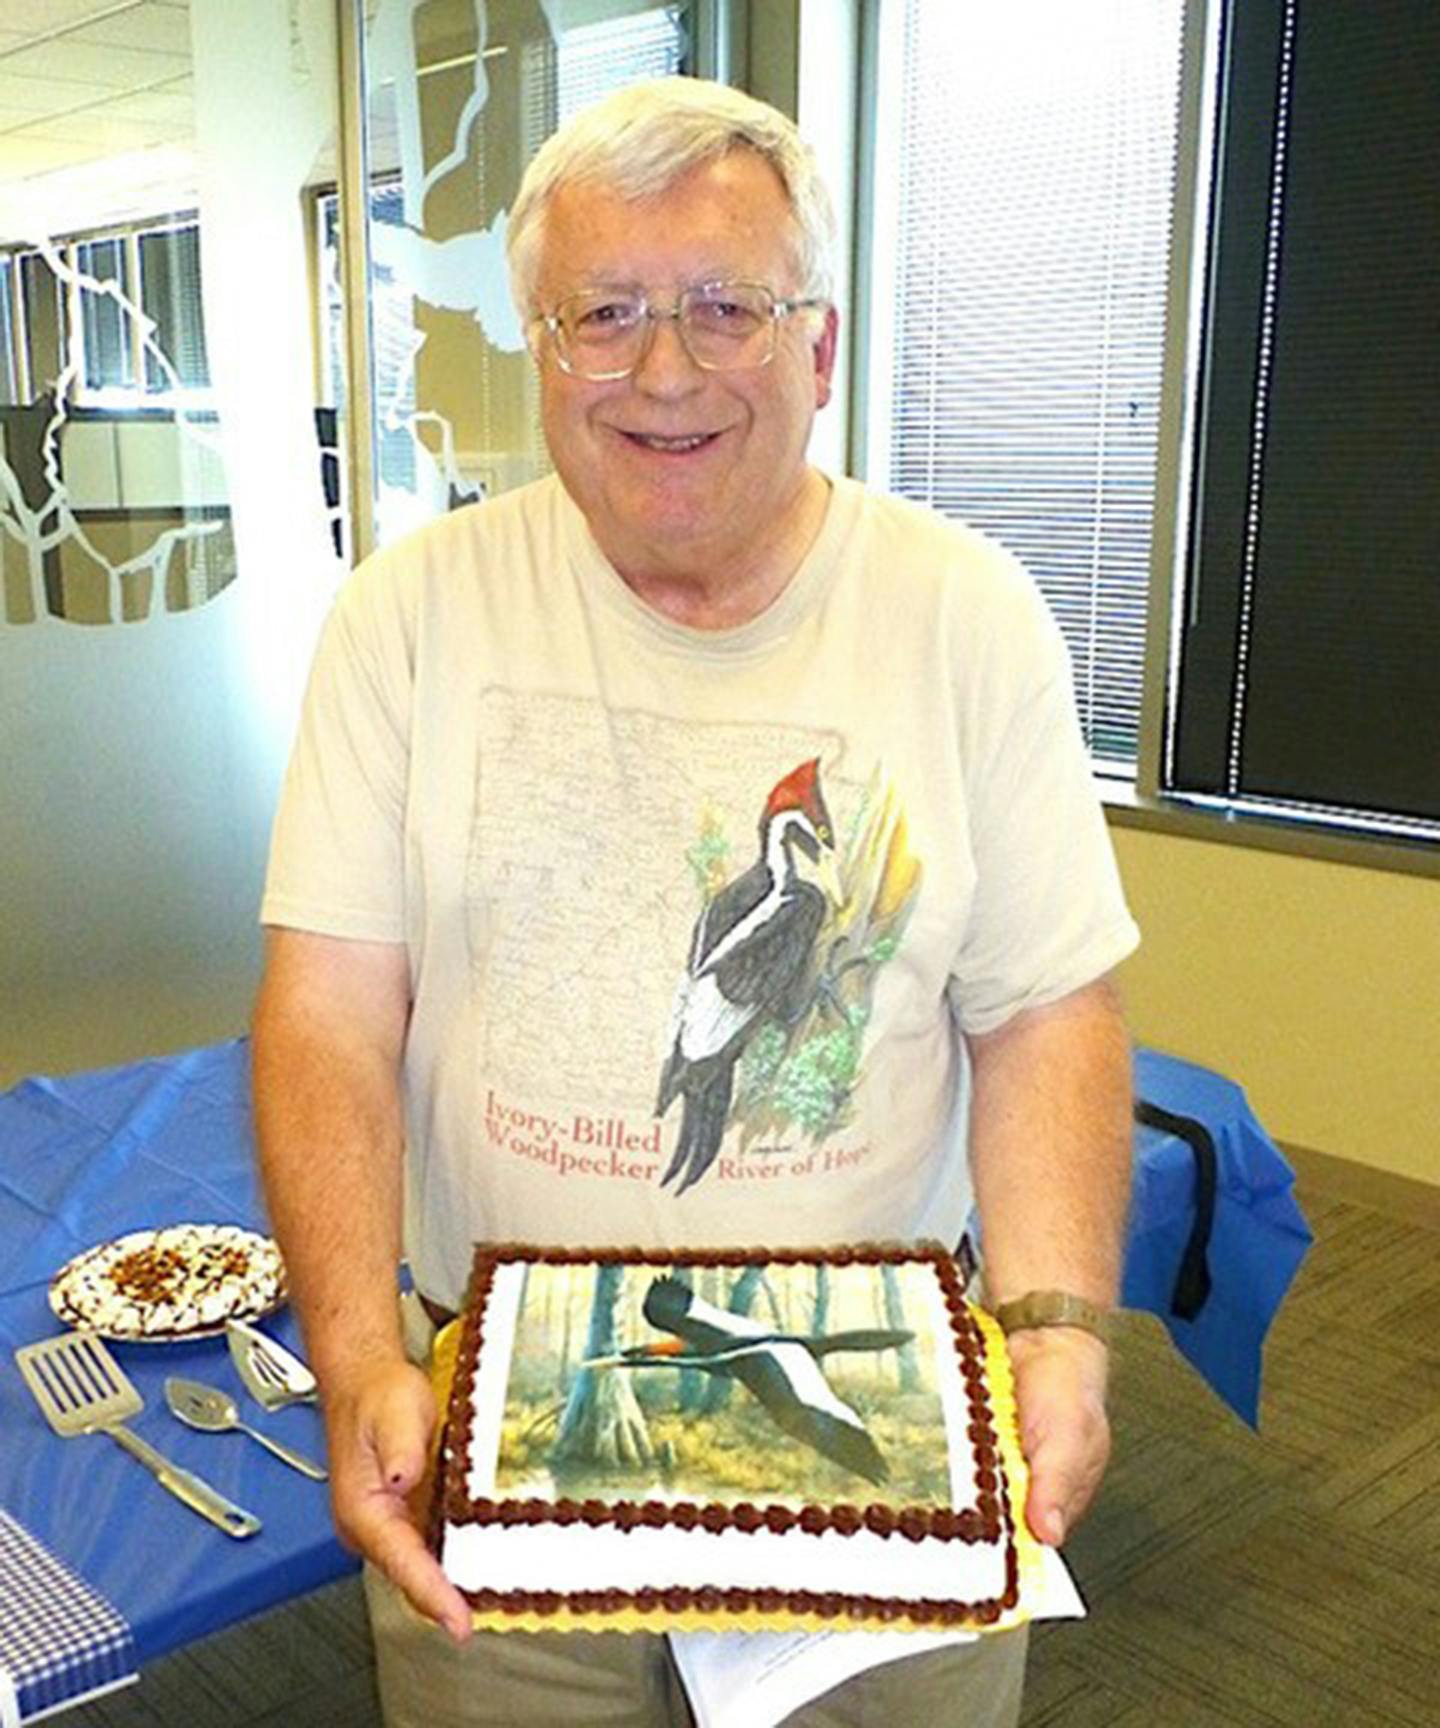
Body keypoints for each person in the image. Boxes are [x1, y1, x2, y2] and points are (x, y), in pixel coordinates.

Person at [252, 75, 1138, 1728]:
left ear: (818, 346)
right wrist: (363, 1352)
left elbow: (1045, 1014)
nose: (664, 369)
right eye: (607, 313)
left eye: (728, 306)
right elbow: (326, 1020)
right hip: (499, 1433)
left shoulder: (971, 620)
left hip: (881, 1451)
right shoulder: (405, 621)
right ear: (542, 348)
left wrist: (1061, 1326)